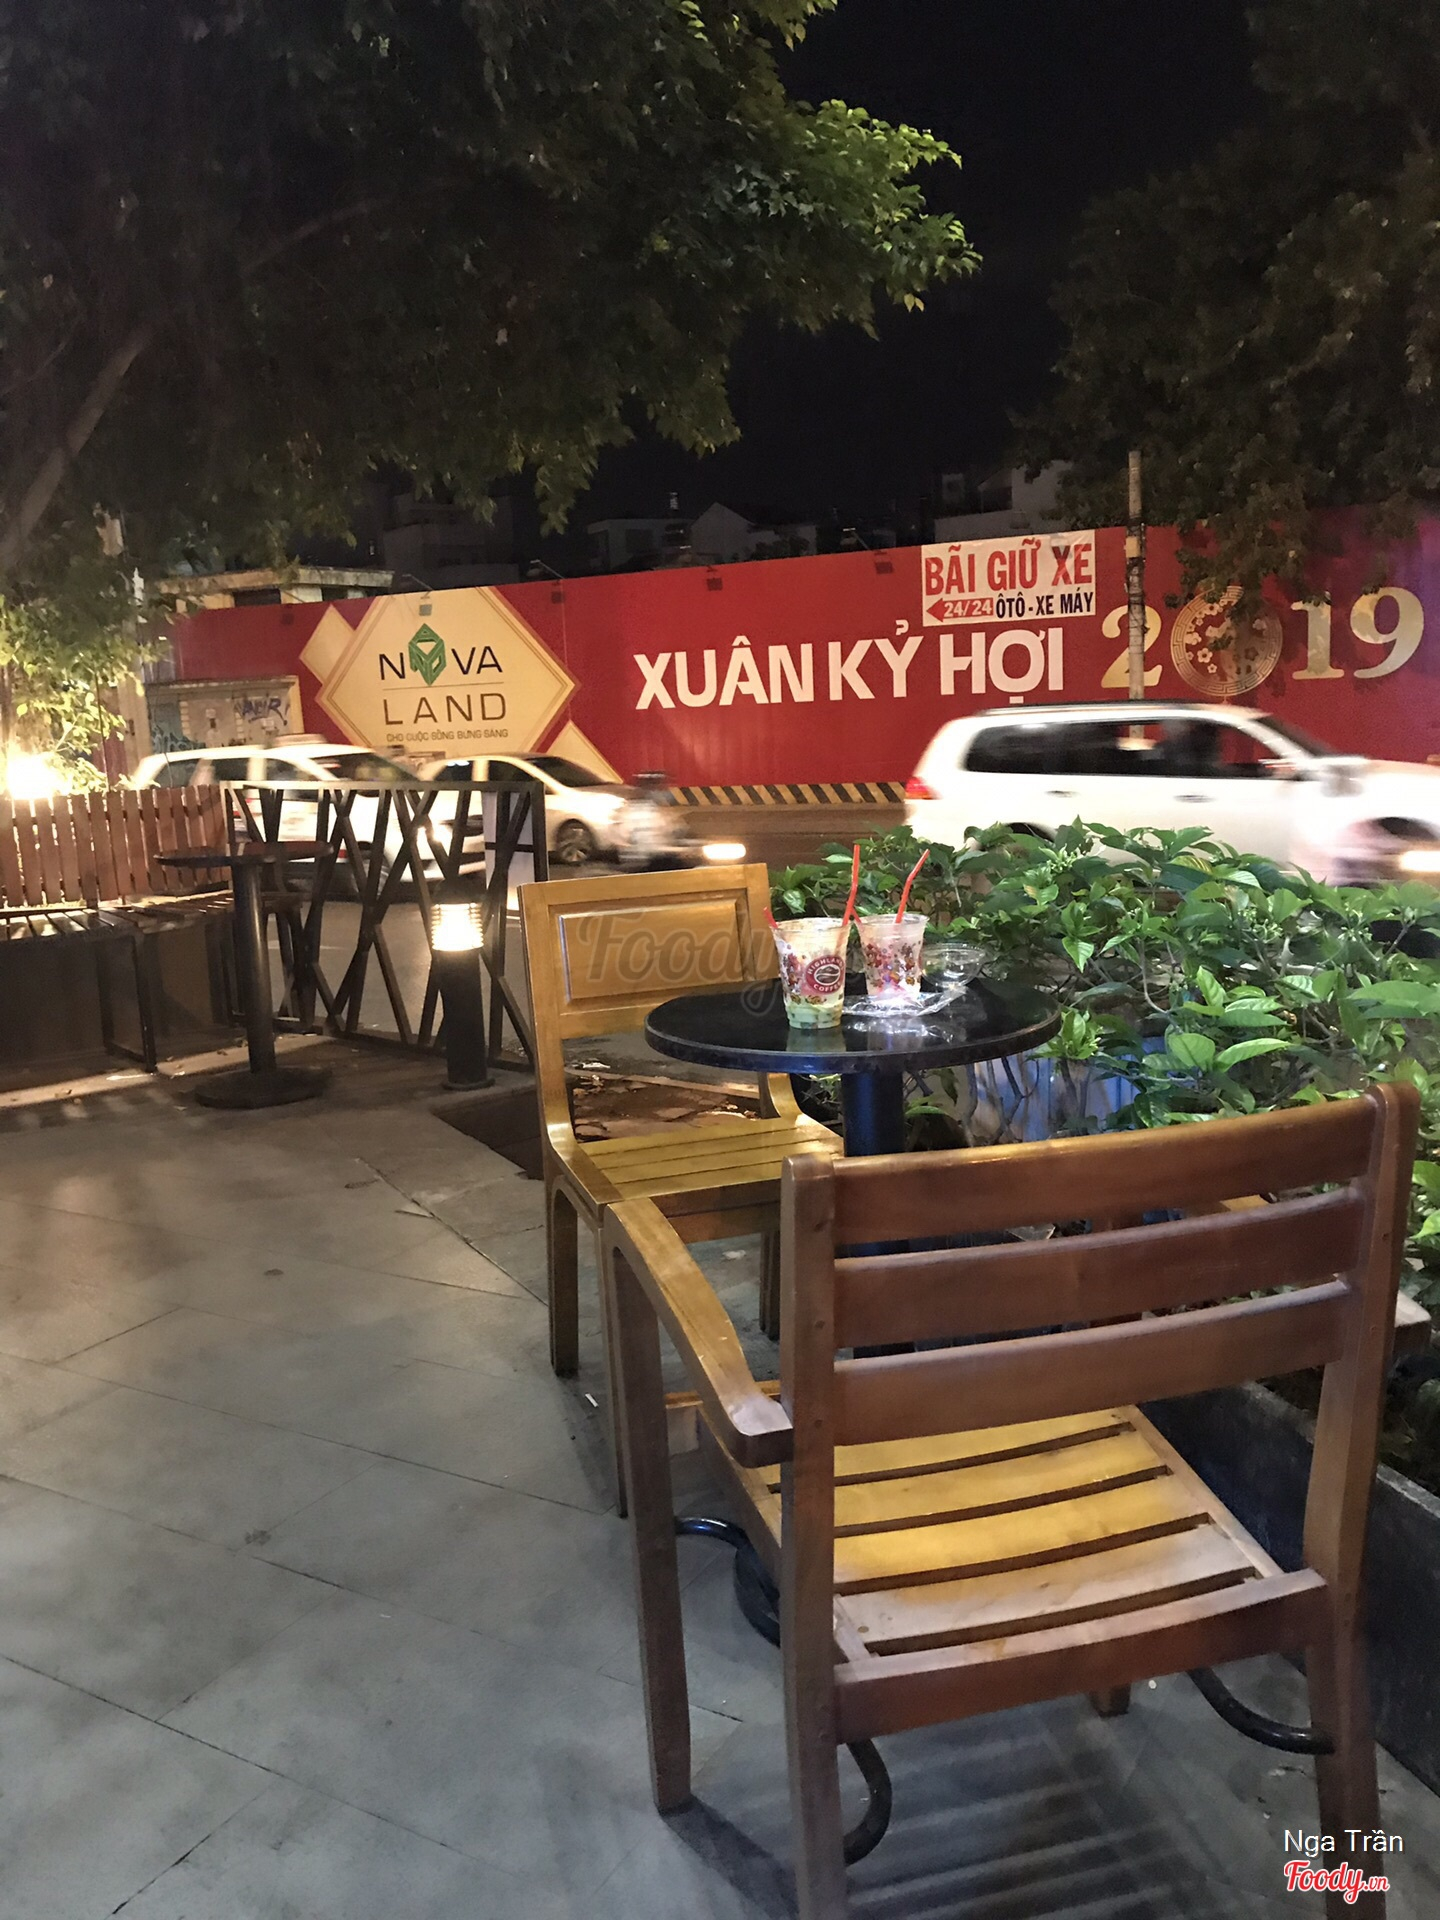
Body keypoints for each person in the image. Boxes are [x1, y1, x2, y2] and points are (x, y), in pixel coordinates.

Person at [620, 770, 689, 871]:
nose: (662, 790)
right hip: (648, 862)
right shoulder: (637, 813)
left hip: (652, 858)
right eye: (657, 787)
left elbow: (675, 833)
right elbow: (649, 845)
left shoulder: (652, 809)